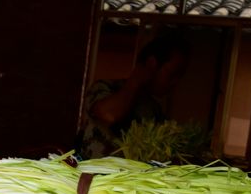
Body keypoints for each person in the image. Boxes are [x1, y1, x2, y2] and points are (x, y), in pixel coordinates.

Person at [77, 29, 190, 160]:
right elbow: (109, 115)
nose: (175, 83)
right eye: (172, 74)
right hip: (93, 176)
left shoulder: (154, 108)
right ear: (152, 64)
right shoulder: (104, 87)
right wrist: (136, 79)